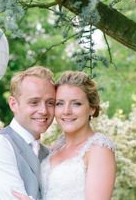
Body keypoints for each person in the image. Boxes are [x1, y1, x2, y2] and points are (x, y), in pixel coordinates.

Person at [13, 70, 116, 200]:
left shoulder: (99, 149)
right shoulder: (55, 148)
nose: (66, 111)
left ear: (92, 108)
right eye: (60, 103)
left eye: (76, 103)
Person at [0, 66, 56, 200]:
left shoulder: (49, 154)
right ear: (13, 104)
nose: (44, 110)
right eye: (34, 102)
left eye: (50, 103)